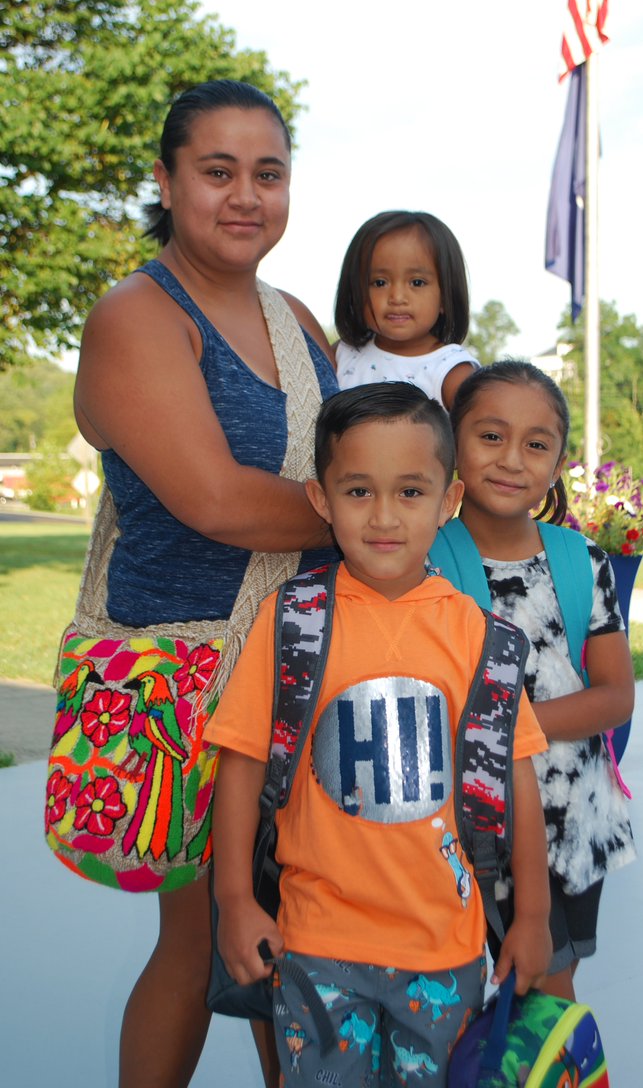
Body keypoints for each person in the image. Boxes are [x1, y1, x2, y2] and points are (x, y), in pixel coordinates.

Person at [72, 79, 339, 1088]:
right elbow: (216, 502)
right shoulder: (137, 317)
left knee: (302, 933)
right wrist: (381, 517)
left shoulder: (296, 317)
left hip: (302, 668)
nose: (245, 195)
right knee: (197, 945)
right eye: (216, 170)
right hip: (186, 683)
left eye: (266, 174)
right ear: (167, 178)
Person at [206, 383, 553, 1087]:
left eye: (411, 491)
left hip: (446, 952)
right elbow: (241, 762)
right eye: (358, 492)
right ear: (320, 500)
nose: (385, 517)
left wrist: (533, 917)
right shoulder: (294, 620)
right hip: (315, 945)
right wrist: (236, 901)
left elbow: (516, 779)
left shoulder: (481, 639)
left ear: (448, 501)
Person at [445, 361, 636, 1002]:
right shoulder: (424, 564)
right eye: (490, 436)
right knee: (460, 1003)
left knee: (550, 992)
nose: (511, 459)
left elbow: (615, 695)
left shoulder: (583, 562)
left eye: (536, 444)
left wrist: (503, 729)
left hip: (574, 822)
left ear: (557, 467)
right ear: (452, 444)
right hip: (470, 833)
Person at [333, 210, 479, 408]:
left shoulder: (451, 370)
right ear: (354, 292)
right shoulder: (343, 355)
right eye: (379, 282)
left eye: (417, 282)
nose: (397, 298)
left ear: (446, 296)